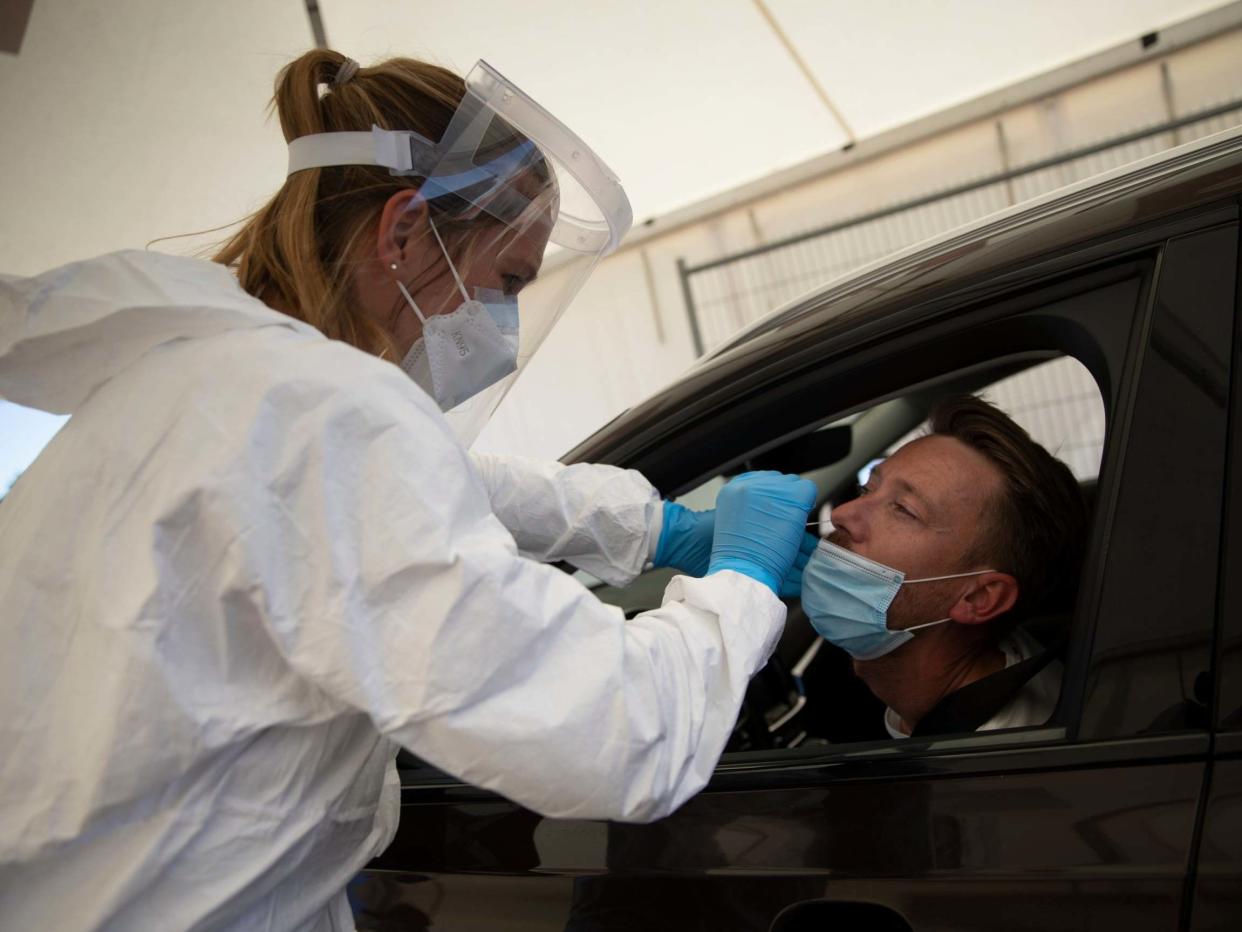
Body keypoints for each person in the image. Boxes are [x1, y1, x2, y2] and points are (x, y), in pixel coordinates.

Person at [0, 50, 817, 930]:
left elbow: (423, 487)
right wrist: (740, 584)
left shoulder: (202, 373)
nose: (503, 331)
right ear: (403, 232)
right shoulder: (326, 415)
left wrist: (648, 527)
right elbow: (615, 734)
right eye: (507, 281)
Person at [801, 394, 1088, 737]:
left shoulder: (990, 770)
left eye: (904, 509)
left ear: (980, 598)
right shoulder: (992, 670)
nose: (842, 513)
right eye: (868, 489)